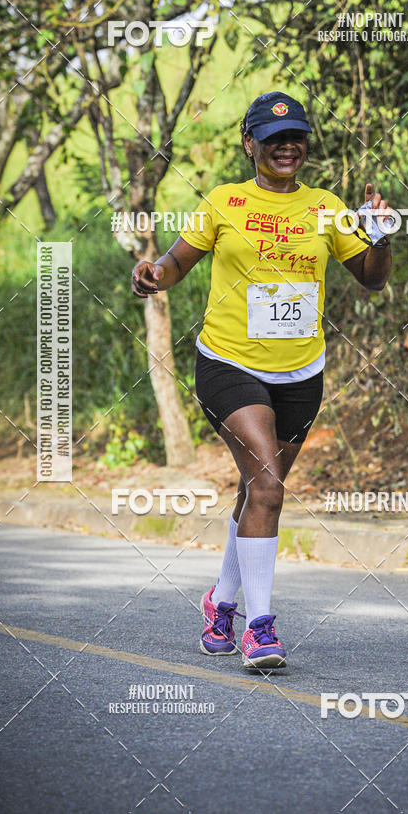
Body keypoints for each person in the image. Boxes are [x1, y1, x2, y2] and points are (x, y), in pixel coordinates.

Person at [131, 90, 392, 669]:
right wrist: (152, 274)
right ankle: (261, 627)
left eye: (296, 137)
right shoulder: (223, 202)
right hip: (229, 362)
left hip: (302, 372)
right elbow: (174, 264)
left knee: (256, 490)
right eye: (274, 139)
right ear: (250, 144)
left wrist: (380, 236)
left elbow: (370, 279)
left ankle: (220, 601)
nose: (287, 147)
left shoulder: (327, 206)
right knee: (270, 488)